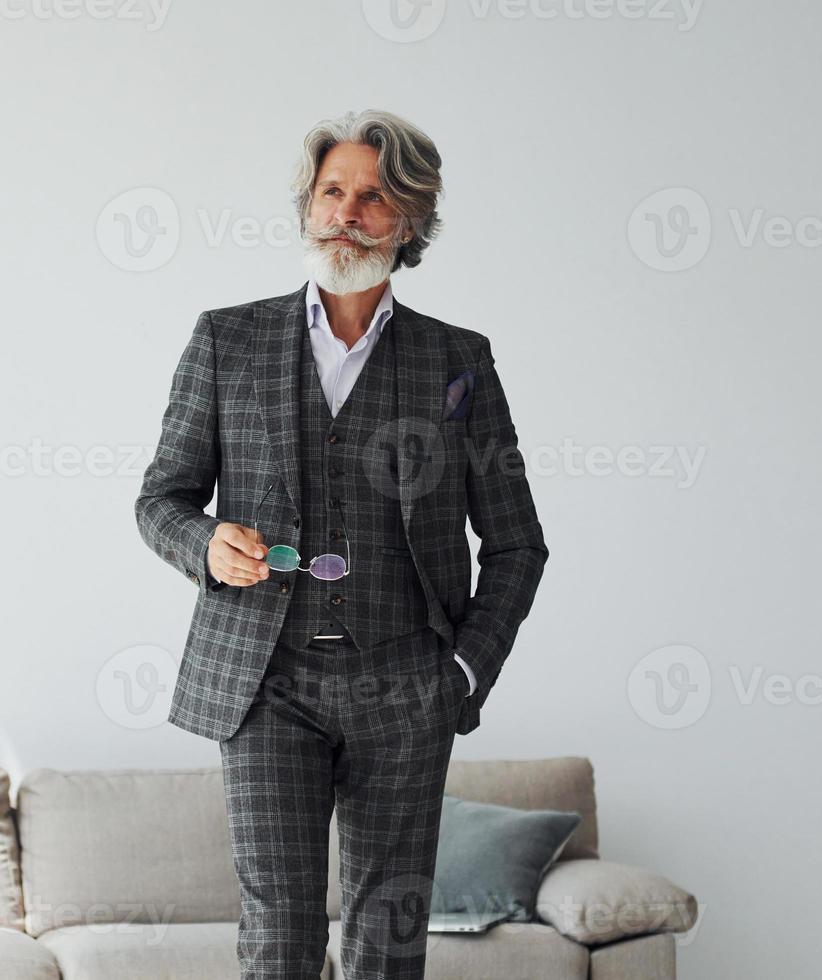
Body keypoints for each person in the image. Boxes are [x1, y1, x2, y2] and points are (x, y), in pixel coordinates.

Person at [134, 108, 550, 979]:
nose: (346, 213)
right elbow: (161, 500)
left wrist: (462, 673)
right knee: (279, 937)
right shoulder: (228, 340)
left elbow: (516, 543)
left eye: (372, 197)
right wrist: (206, 544)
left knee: (385, 945)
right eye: (332, 191)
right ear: (308, 205)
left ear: (408, 222)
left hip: (407, 685)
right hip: (262, 678)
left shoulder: (457, 360)